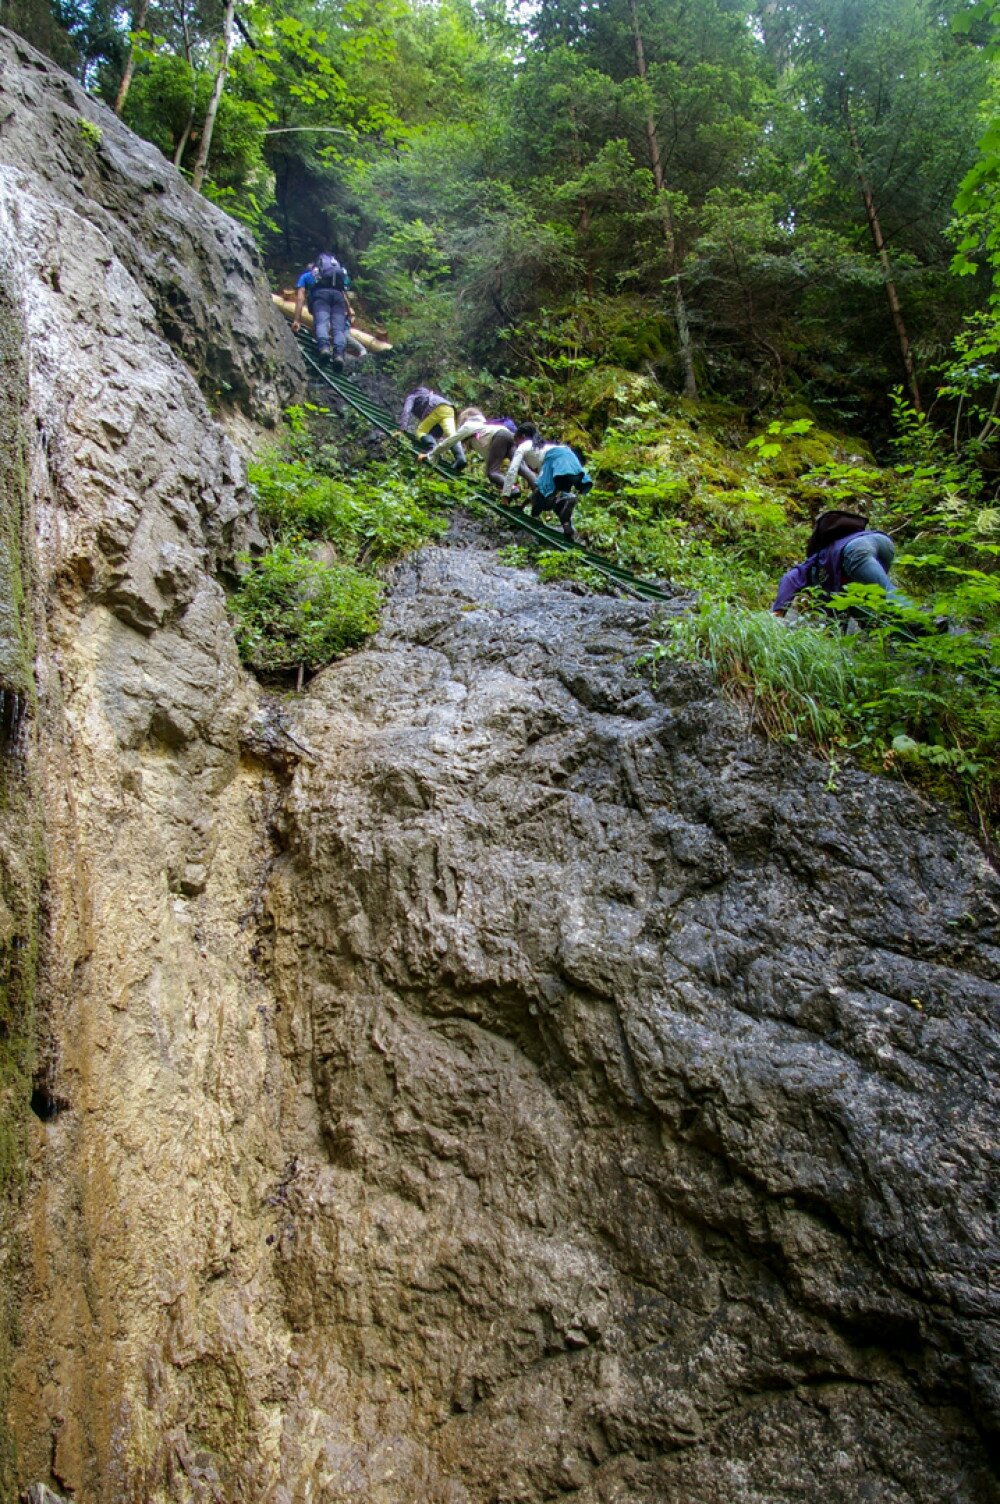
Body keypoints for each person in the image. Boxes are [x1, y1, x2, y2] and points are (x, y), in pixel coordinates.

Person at [772, 510, 910, 616]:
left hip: (856, 550)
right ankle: (906, 637)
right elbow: (842, 611)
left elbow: (790, 578)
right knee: (875, 599)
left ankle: (919, 622)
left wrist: (778, 610)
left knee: (884, 590)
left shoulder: (814, 562)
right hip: (882, 542)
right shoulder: (834, 556)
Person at [504, 425, 592, 541]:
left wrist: (505, 496)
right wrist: (523, 505)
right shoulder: (542, 448)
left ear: (523, 437)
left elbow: (512, 470)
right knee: (555, 495)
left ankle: (534, 519)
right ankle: (566, 526)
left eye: (516, 440)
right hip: (569, 458)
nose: (515, 445)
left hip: (556, 458)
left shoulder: (524, 446)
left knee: (543, 493)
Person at [292, 251, 354, 371]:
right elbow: (343, 293)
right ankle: (339, 356)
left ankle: (324, 348)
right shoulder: (334, 279)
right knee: (338, 330)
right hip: (338, 299)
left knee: (322, 323)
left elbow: (300, 298)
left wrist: (297, 320)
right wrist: (349, 310)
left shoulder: (306, 276)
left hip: (321, 298)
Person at [416, 407, 511, 473]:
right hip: (510, 439)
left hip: (501, 442)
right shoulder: (486, 426)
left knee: (493, 472)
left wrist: (431, 454)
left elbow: (450, 440)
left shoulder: (469, 426)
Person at [399, 387, 467, 468]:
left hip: (435, 408)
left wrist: (402, 429)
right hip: (449, 408)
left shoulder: (412, 397)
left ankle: (432, 450)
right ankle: (461, 459)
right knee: (452, 435)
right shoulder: (429, 394)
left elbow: (406, 410)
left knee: (420, 432)